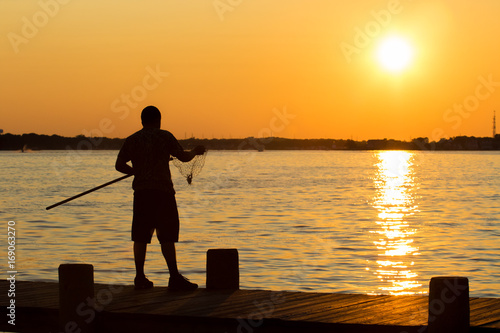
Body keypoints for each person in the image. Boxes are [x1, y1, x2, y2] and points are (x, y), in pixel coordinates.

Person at [115, 105, 205, 290]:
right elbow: (184, 157)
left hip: (141, 194)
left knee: (140, 236)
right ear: (159, 120)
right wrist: (196, 151)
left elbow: (119, 165)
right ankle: (174, 278)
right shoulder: (164, 136)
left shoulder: (132, 140)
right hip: (163, 194)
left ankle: (139, 278)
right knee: (167, 236)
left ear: (142, 121)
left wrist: (135, 171)